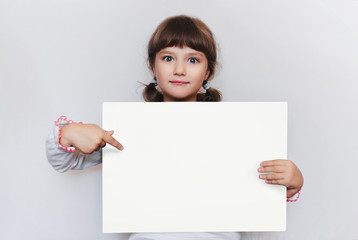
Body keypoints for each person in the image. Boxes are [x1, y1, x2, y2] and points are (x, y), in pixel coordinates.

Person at [46, 15, 304, 240]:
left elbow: (254, 191)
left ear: (208, 72)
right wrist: (69, 133)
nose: (179, 69)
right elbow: (63, 162)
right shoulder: (130, 126)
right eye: (168, 58)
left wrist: (292, 182)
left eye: (193, 60)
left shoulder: (235, 129)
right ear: (153, 66)